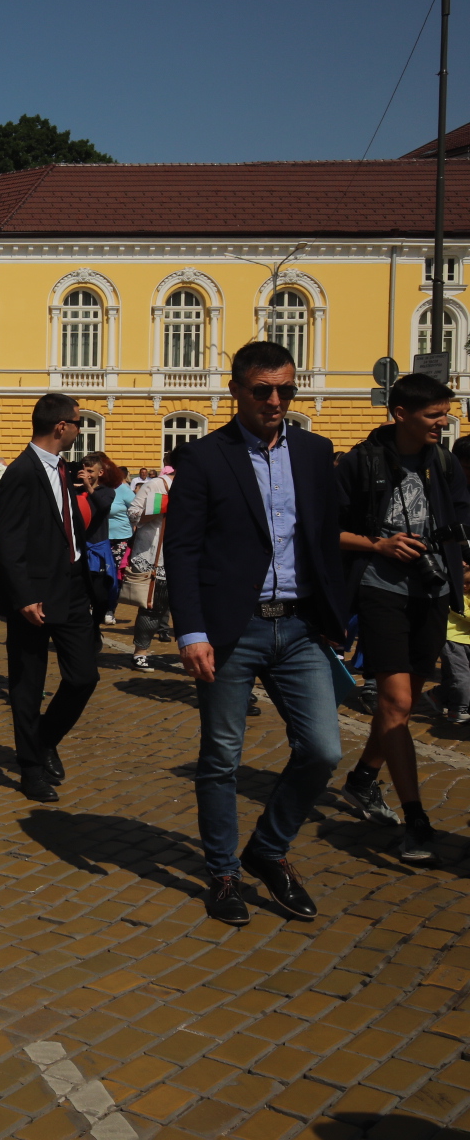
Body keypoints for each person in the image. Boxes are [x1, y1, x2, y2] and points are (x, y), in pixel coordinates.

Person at [167, 342, 348, 924]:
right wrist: (191, 631)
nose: (276, 401)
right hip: (230, 630)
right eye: (263, 390)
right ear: (237, 391)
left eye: (286, 390)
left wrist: (337, 617)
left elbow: (324, 542)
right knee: (221, 757)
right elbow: (184, 549)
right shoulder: (204, 457)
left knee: (323, 749)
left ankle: (267, 851)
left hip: (297, 627)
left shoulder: (317, 453)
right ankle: (223, 873)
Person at [333, 372, 470, 864]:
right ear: (400, 415)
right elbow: (326, 531)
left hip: (431, 593)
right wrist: (379, 545)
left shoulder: (445, 463)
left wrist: (462, 564)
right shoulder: (359, 462)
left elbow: (459, 523)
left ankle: (361, 781)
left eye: (446, 412)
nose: (444, 421)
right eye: (434, 415)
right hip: (379, 591)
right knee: (395, 699)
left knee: (402, 707)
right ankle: (417, 821)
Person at [0, 393, 99, 804]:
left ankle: (44, 738)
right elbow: (9, 537)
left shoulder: (63, 469)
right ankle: (31, 770)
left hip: (71, 589)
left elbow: (66, 527)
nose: (78, 430)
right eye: (77, 423)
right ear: (60, 427)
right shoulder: (22, 471)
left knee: (84, 675)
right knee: (27, 683)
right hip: (34, 596)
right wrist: (24, 596)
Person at [128, 456, 176, 671]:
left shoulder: (202, 484)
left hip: (190, 556)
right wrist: (159, 509)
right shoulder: (158, 484)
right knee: (154, 606)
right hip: (157, 554)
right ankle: (141, 651)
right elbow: (133, 514)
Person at [436, 437, 470, 727]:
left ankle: (442, 696)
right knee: (459, 671)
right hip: (452, 608)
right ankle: (456, 705)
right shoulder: (442, 487)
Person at [71, 455, 117, 631]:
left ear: (100, 472)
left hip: (97, 549)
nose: (87, 474)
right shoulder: (75, 490)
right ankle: (82, 630)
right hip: (79, 549)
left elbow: (103, 506)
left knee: (100, 595)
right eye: (84, 470)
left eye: (91, 471)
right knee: (79, 593)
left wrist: (88, 488)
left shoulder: (107, 491)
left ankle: (95, 628)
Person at [104, 455, 137, 625]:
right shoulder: (97, 488)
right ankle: (99, 606)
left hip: (120, 538)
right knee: (98, 574)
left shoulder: (122, 489)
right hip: (99, 537)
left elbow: (137, 509)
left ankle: (110, 608)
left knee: (114, 574)